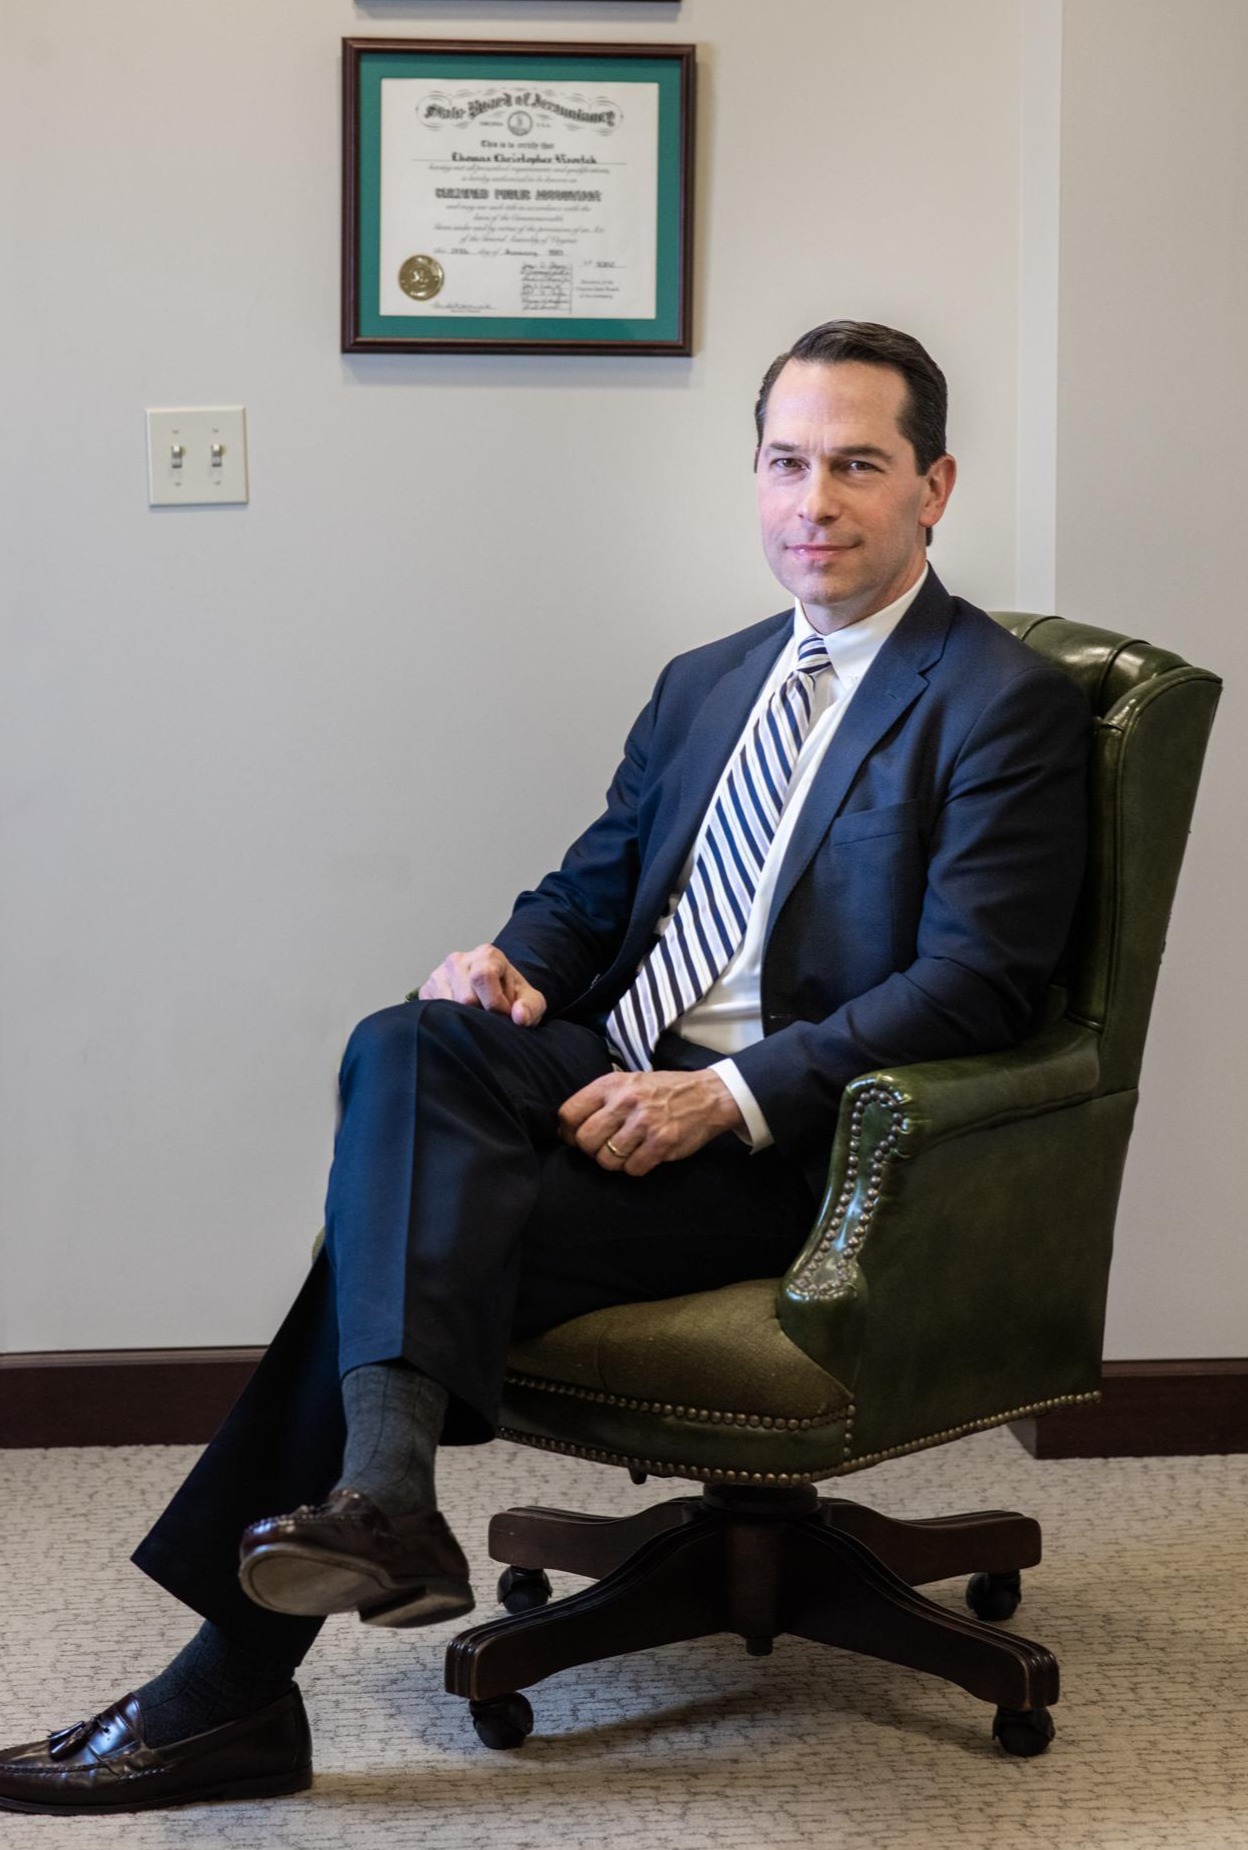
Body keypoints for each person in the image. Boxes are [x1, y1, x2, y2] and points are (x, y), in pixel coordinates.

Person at [0, 321, 1090, 1813]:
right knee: (409, 1038)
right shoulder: (708, 681)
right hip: (606, 1077)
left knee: (386, 1242)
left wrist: (732, 1091)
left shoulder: (998, 701)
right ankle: (374, 1506)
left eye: (856, 464)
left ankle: (238, 1680)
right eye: (785, 463)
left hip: (799, 1153)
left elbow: (977, 985)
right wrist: (513, 962)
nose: (812, 503)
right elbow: (592, 891)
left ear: (933, 486)